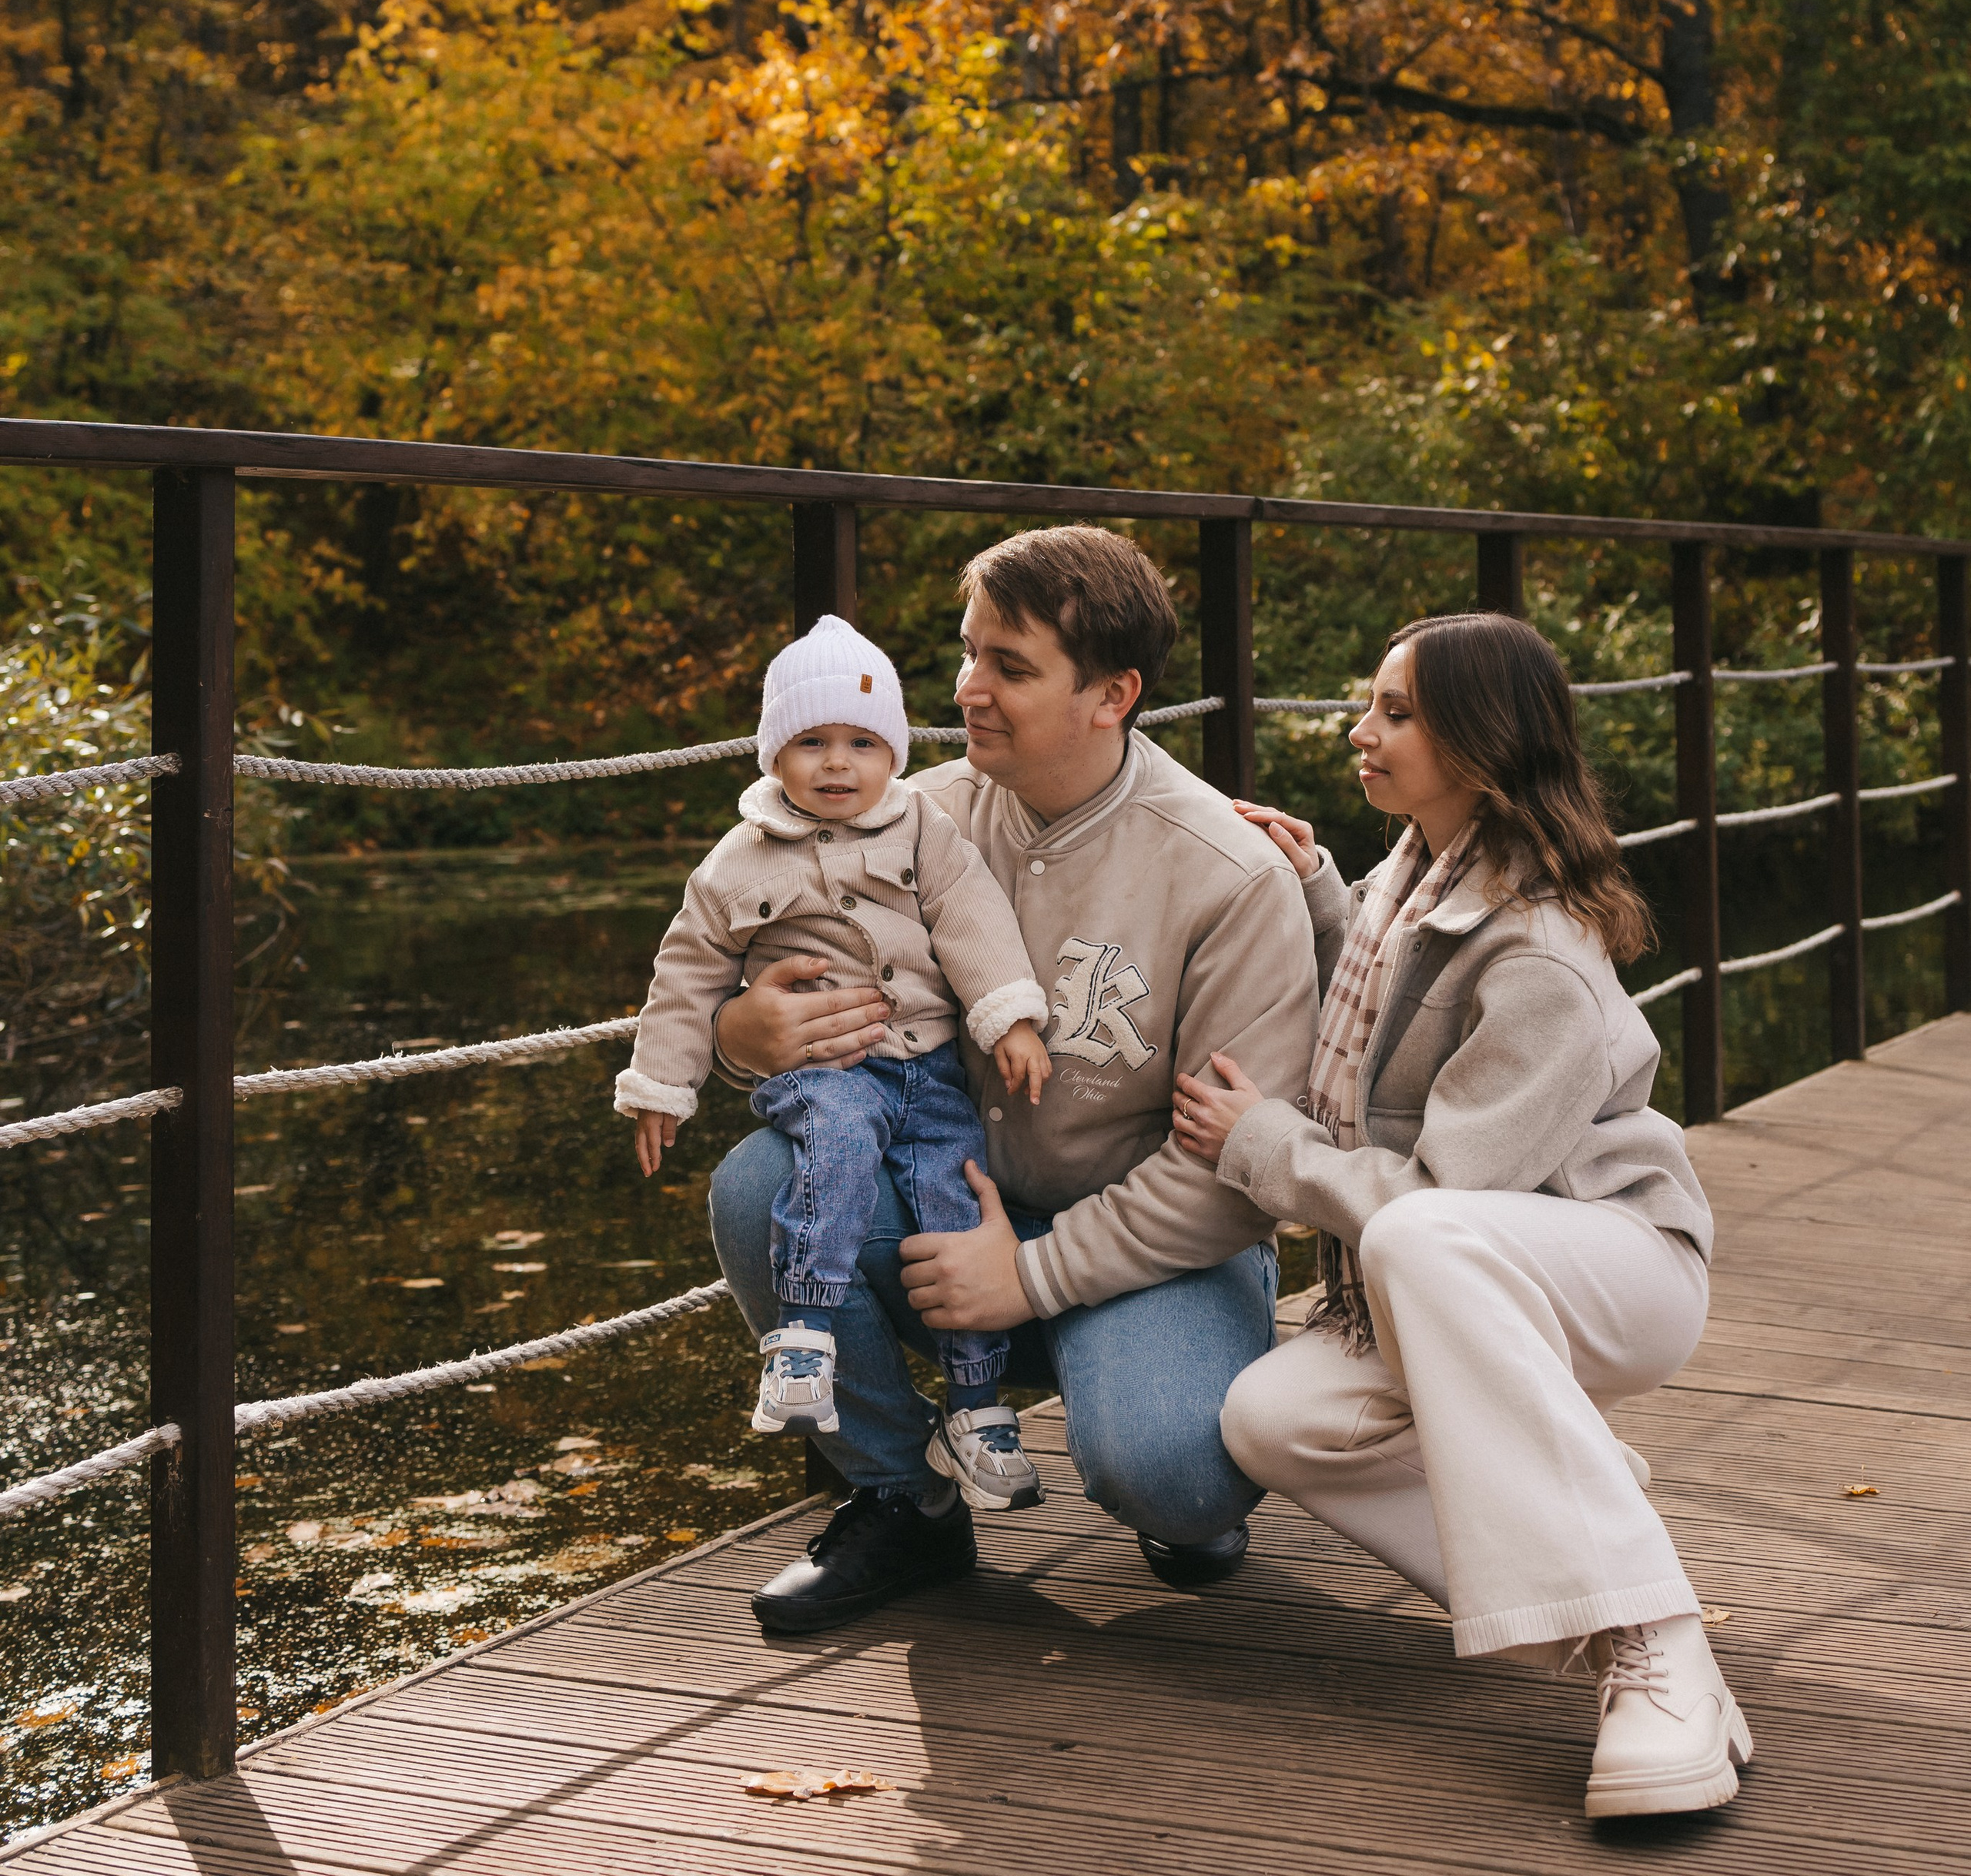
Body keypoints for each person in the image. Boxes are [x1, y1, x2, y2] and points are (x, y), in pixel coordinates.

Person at [1173, 610, 1749, 1822]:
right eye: (1369, 704)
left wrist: (1264, 1145)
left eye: (1397, 713)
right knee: (1273, 1420)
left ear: (1481, 746)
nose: (1361, 730)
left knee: (1415, 1233)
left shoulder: (1539, 953)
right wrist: (1315, 894)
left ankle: (1652, 1638)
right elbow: (1395, 1005)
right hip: (1475, 1262)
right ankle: (1602, 1578)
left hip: (1615, 1261)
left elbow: (1443, 1198)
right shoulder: (1410, 877)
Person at [705, 525, 1320, 1635]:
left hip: (1154, 1253)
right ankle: (907, 1499)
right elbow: (729, 962)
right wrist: (742, 1034)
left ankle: (1164, 1439)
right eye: (967, 652)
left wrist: (1026, 1279)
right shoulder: (901, 817)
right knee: (759, 1186)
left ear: (1112, 695)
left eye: (1010, 666)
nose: (966, 690)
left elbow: (1231, 1179)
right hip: (946, 1211)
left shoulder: (1229, 876)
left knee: (1175, 1481)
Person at [615, 614, 1056, 1512]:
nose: (837, 764)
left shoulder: (923, 826)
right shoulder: (739, 860)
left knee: (953, 1197)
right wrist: (663, 1083)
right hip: (831, 1073)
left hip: (930, 1069)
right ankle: (805, 1337)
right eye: (811, 743)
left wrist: (1008, 1016)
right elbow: (688, 970)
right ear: (773, 754)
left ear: (893, 752)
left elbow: (970, 916)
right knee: (837, 1150)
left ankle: (975, 1408)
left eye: (862, 743)